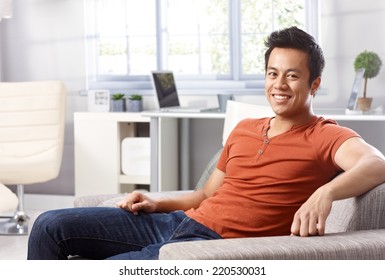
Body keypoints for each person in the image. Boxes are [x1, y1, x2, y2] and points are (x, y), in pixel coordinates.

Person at [28, 26, 385, 260]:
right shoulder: (246, 128)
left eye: (293, 75)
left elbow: (376, 163)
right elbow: (205, 196)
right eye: (272, 73)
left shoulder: (324, 134)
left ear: (315, 84)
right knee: (48, 225)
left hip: (208, 247)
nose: (279, 84)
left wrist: (324, 193)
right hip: (177, 222)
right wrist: (156, 201)